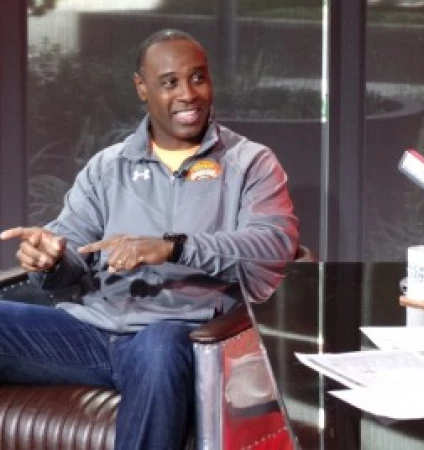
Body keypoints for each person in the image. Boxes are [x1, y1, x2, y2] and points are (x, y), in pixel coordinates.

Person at [0, 29, 299, 449]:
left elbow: (273, 246)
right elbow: (71, 251)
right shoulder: (109, 166)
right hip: (91, 332)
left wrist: (175, 246)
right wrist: (50, 260)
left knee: (159, 343)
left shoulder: (250, 163)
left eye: (198, 78)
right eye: (170, 82)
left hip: (179, 338)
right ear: (142, 88)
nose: (188, 94)